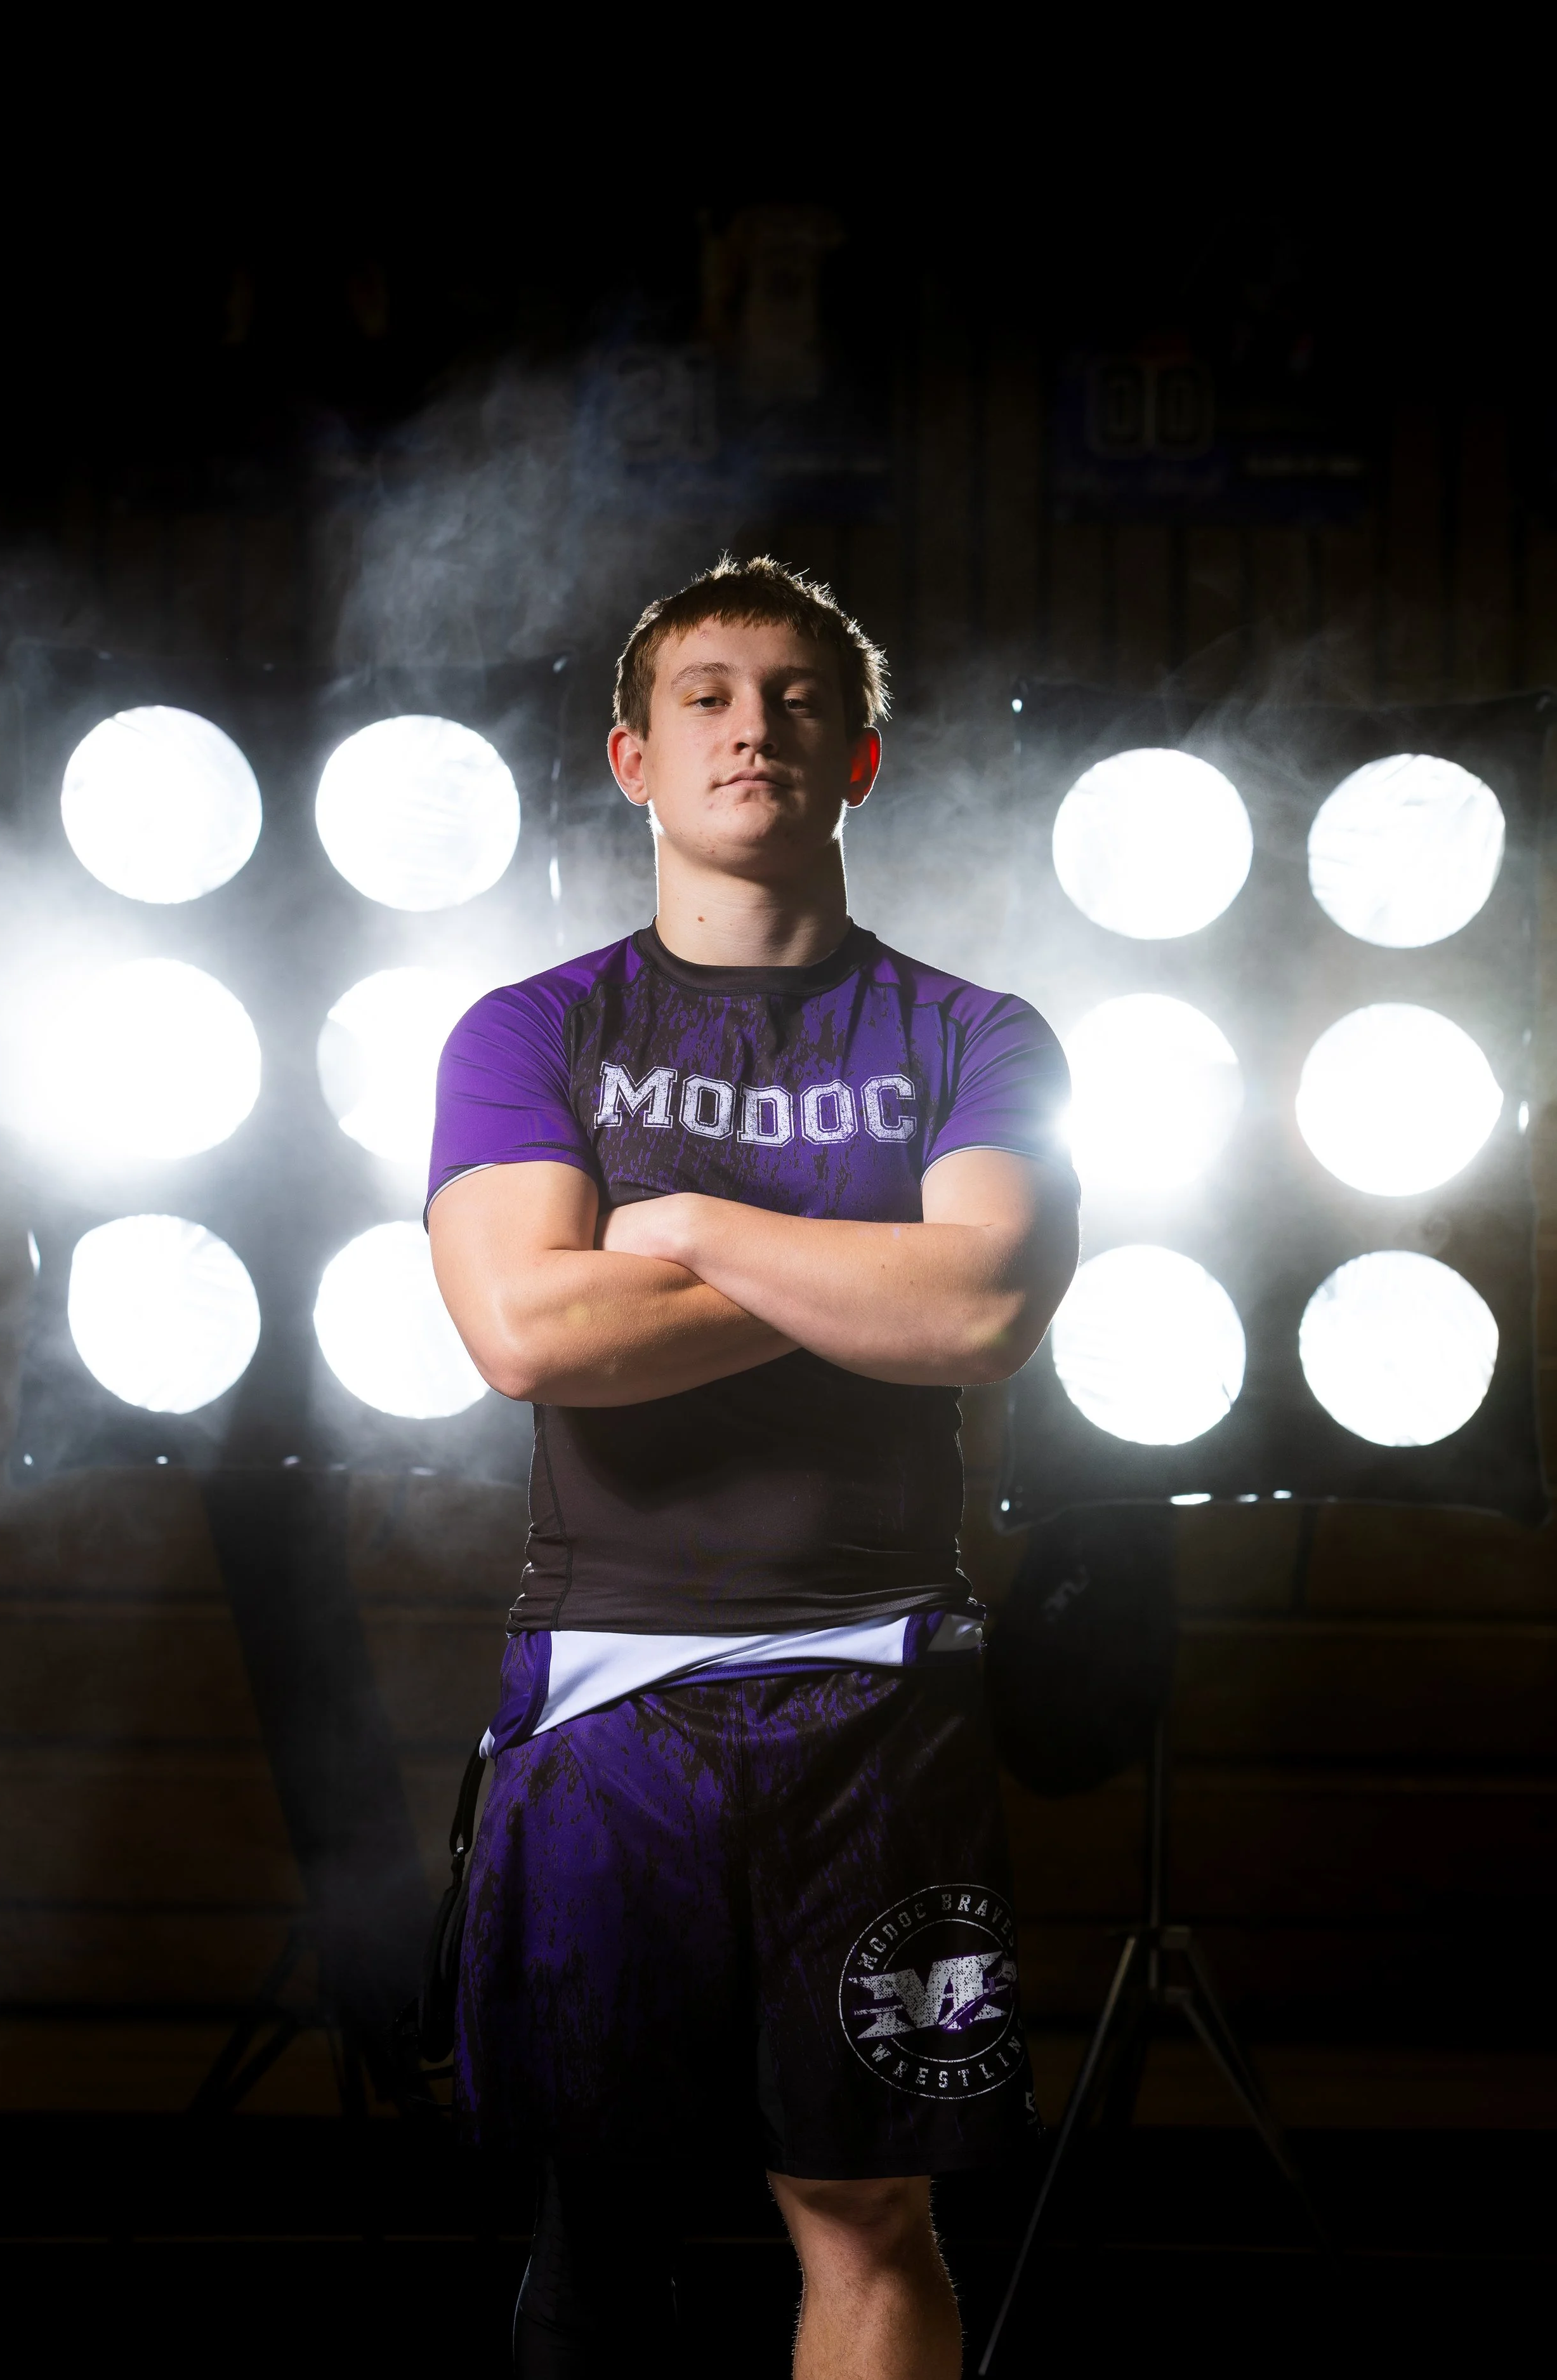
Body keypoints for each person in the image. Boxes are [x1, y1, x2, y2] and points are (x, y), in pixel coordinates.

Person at [427, 556, 1080, 2379]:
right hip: (604, 1685)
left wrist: (699, 1221)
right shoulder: (535, 1030)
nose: (752, 725)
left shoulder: (975, 1036)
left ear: (859, 758)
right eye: (707, 694)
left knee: (871, 2214)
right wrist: (861, 1261)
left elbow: (984, 1307)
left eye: (796, 696)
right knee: (596, 2207)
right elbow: (527, 1337)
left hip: (877, 1684)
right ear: (632, 757)